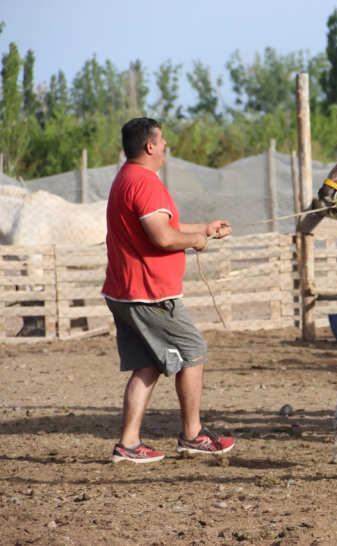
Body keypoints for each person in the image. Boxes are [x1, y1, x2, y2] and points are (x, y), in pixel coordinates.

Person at [104, 117, 235, 463]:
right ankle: (192, 435)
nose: (165, 146)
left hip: (124, 291)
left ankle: (128, 444)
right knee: (193, 351)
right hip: (150, 293)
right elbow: (162, 237)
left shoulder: (125, 178)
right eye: (161, 141)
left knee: (146, 365)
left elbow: (160, 227)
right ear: (150, 146)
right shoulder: (146, 183)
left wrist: (203, 229)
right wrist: (197, 241)